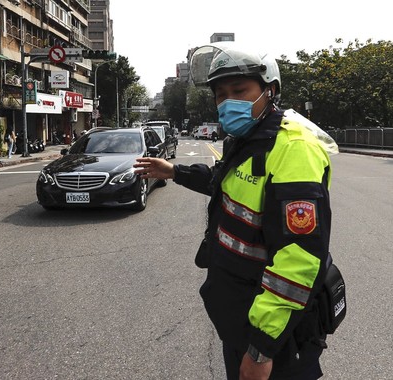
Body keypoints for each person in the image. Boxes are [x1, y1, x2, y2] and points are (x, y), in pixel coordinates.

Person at [134, 43, 339, 380]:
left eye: (240, 90)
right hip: (240, 320)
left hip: (274, 336)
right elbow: (223, 183)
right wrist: (174, 172)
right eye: (221, 94)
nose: (228, 101)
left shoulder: (292, 148)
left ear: (270, 91)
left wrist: (261, 350)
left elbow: (298, 260)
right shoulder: (245, 139)